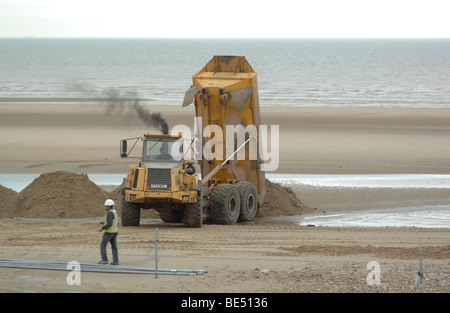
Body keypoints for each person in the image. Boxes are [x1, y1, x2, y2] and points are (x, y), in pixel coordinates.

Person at [97, 199, 119, 265]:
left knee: (102, 245)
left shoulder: (109, 213)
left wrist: (102, 228)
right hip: (114, 232)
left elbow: (110, 224)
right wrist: (104, 223)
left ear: (109, 206)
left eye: (106, 206)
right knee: (114, 246)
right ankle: (115, 261)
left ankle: (104, 260)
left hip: (109, 232)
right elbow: (111, 221)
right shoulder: (114, 211)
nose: (105, 207)